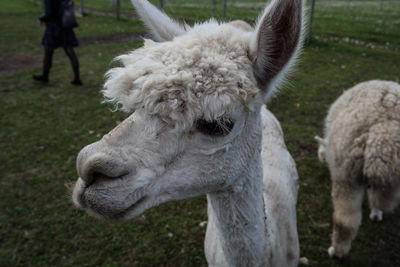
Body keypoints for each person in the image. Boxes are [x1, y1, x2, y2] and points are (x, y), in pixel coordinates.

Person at [33, 0, 82, 85]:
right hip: (65, 25)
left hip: (54, 26)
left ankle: (45, 76)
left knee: (48, 51)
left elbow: (49, 13)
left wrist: (41, 18)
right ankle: (77, 78)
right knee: (70, 51)